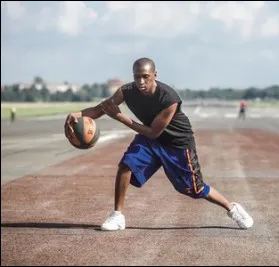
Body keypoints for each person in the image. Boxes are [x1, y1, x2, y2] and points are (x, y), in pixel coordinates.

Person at [64, 58, 253, 231]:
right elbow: (100, 109)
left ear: (155, 75)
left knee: (194, 189)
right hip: (149, 140)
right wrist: (79, 115)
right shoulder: (126, 91)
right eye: (137, 77)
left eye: (145, 77)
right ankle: (117, 216)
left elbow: (154, 131)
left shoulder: (168, 98)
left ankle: (231, 208)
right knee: (126, 165)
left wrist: (120, 117)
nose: (141, 82)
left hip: (177, 143)